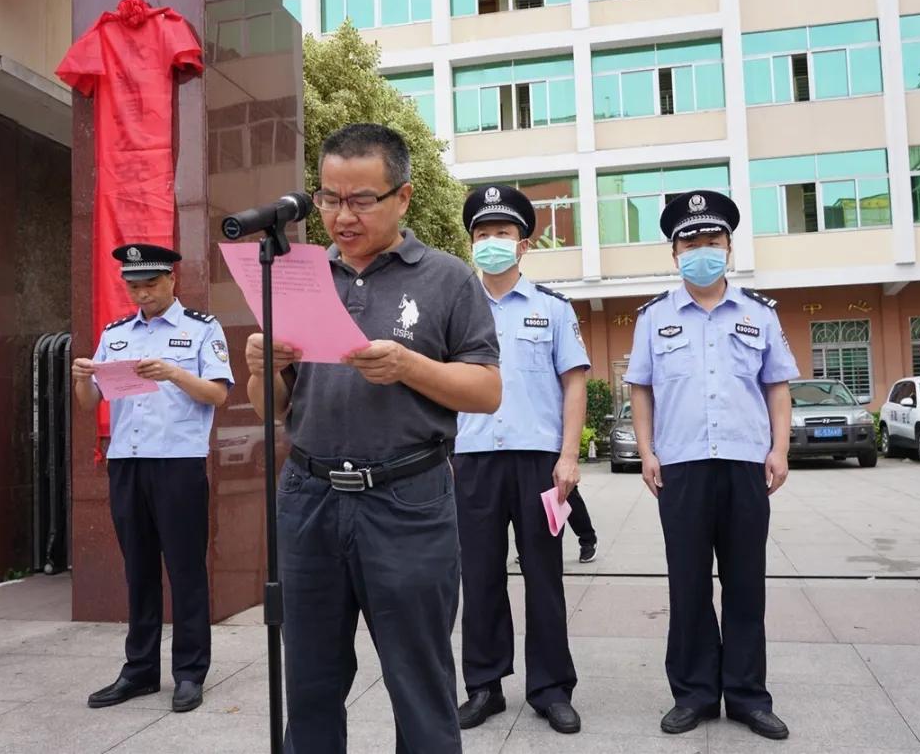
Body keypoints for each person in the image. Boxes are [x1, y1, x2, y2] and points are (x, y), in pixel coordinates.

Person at [244, 123, 501, 754]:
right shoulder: (298, 275)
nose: (341, 215)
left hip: (407, 498)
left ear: (403, 197)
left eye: (362, 199)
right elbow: (276, 409)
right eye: (329, 198)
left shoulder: (446, 278)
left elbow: (487, 390)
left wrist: (409, 366)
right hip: (309, 497)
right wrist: (261, 369)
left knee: (420, 680)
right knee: (309, 681)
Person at [625, 191, 798, 740]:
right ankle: (695, 693)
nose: (703, 250)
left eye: (712, 241)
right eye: (691, 242)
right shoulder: (653, 318)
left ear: (729, 247)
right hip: (682, 469)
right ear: (675, 253)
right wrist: (647, 452)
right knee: (690, 585)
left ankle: (748, 696)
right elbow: (641, 390)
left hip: (746, 463)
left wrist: (780, 448)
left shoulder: (758, 315)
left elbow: (777, 387)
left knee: (747, 583)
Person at [72, 243, 234, 713]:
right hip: (127, 462)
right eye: (133, 287)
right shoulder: (116, 332)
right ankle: (139, 670)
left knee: (185, 570)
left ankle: (189, 672)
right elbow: (89, 402)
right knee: (138, 570)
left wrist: (172, 373)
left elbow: (218, 395)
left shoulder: (201, 329)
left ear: (171, 281)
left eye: (149, 285)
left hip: (178, 464)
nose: (141, 295)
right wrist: (83, 377)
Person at [453, 184, 591, 735]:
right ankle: (484, 686)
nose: (492, 243)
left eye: (503, 234)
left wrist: (570, 457)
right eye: (482, 234)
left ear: (523, 243)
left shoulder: (552, 309)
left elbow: (574, 383)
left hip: (539, 461)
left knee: (544, 577)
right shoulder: (456, 309)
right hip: (473, 459)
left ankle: (551, 688)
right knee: (479, 577)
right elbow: (440, 386)